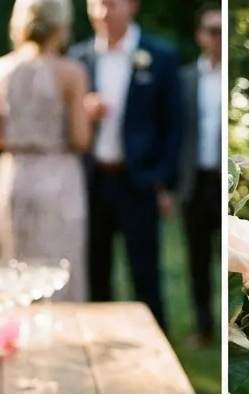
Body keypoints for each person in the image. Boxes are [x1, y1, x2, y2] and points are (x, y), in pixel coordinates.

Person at [70, 0, 182, 329]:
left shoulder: (159, 55)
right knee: (95, 268)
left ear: (132, 6)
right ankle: (98, 340)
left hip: (139, 181)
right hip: (91, 180)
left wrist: (164, 182)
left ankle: (157, 344)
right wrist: (83, 111)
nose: (104, 13)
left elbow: (173, 125)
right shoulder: (78, 58)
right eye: (97, 5)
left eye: (112, 4)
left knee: (145, 272)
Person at [0, 0, 92, 301]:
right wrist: (87, 114)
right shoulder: (71, 72)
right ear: (61, 25)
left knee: (14, 260)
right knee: (59, 267)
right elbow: (81, 139)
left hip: (14, 172)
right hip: (59, 174)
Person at [178, 6, 221, 347]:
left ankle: (235, 330)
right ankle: (203, 326)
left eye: (222, 30)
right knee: (198, 260)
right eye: (211, 29)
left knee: (233, 264)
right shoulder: (185, 79)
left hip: (225, 181)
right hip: (195, 182)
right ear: (199, 35)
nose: (217, 37)